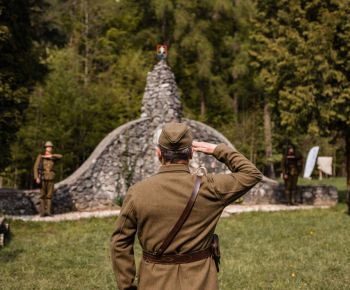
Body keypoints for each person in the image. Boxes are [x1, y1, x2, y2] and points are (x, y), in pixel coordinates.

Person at [110, 123, 263, 290]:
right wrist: (218, 150)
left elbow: (120, 242)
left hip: (154, 282)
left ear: (158, 153)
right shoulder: (211, 188)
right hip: (200, 281)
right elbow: (251, 174)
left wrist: (126, 286)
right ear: (191, 153)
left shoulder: (137, 193)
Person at [33, 141, 63, 217]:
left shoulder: (53, 157)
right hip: (42, 178)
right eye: (48, 147)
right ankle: (42, 213)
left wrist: (51, 156)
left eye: (50, 147)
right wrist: (36, 177)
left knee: (49, 196)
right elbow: (35, 167)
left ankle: (48, 212)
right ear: (45, 148)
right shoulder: (40, 156)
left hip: (51, 177)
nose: (49, 148)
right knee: (42, 195)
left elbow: (61, 156)